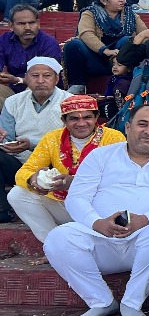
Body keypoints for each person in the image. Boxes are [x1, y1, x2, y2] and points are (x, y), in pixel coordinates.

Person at [45, 104, 149, 316]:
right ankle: (101, 301)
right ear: (127, 127)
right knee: (57, 239)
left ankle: (132, 302)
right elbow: (76, 197)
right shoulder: (100, 156)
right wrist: (97, 223)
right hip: (101, 241)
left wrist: (144, 220)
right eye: (142, 124)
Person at [9, 94, 123, 240]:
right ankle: (53, 243)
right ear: (64, 120)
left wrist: (74, 182)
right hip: (63, 203)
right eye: (74, 118)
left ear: (96, 117)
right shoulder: (52, 138)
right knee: (17, 194)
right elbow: (25, 170)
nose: (81, 123)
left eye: (87, 117)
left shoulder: (114, 138)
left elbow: (119, 177)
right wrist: (34, 179)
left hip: (99, 208)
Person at [0, 57, 70, 219]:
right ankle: (2, 211)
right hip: (21, 165)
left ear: (56, 79)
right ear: (27, 78)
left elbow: (70, 141)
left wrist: (31, 144)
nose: (40, 81)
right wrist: (5, 142)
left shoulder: (68, 102)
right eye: (35, 76)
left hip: (57, 165)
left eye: (46, 76)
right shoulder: (13, 102)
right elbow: (7, 138)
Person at [62, 0, 137, 94]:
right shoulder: (90, 13)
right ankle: (78, 84)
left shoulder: (130, 15)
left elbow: (143, 33)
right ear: (104, 1)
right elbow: (86, 33)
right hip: (93, 60)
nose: (121, 0)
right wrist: (104, 50)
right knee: (73, 45)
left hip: (118, 62)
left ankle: (125, 81)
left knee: (127, 40)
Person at [0, 3, 61, 95]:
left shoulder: (49, 43)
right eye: (21, 24)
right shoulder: (4, 40)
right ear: (11, 26)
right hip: (14, 91)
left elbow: (45, 79)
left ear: (38, 24)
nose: (27, 28)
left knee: (37, 89)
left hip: (45, 91)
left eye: (32, 23)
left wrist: (18, 80)